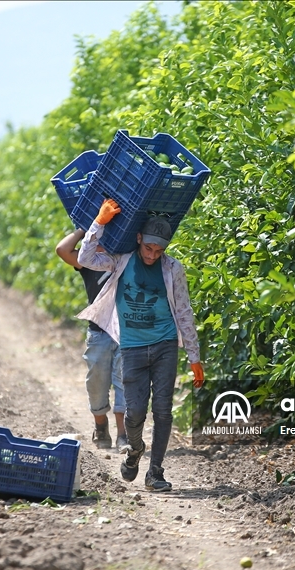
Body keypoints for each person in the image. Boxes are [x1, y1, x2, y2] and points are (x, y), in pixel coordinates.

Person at [76, 199, 205, 492]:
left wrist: (194, 357)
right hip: (131, 347)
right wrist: (99, 222)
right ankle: (134, 450)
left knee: (163, 410)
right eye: (148, 248)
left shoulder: (173, 269)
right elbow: (85, 258)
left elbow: (184, 311)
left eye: (159, 250)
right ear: (139, 240)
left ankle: (155, 472)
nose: (152, 255)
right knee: (134, 412)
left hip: (165, 344)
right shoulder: (120, 260)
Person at [55, 227, 128, 452]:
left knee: (124, 381)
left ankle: (123, 435)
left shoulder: (127, 259)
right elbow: (62, 249)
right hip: (99, 332)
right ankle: (101, 425)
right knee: (96, 382)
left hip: (127, 332)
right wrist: (85, 228)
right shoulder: (91, 261)